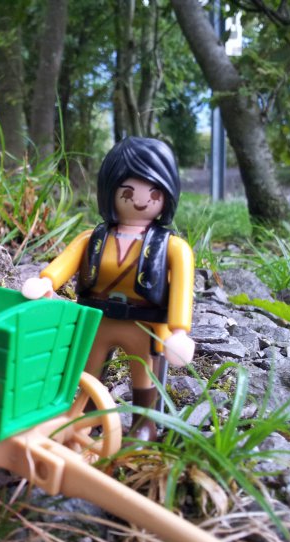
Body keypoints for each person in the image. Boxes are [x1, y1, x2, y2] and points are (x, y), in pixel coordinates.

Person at [22, 137, 194, 442]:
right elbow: (66, 261)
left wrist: (179, 331)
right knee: (90, 369)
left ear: (167, 195)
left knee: (143, 374)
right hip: (97, 318)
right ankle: (85, 414)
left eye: (153, 192)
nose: (140, 201)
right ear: (111, 191)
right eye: (128, 192)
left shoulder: (173, 247)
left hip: (144, 323)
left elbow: (181, 287)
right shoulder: (94, 238)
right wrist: (47, 281)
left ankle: (143, 424)